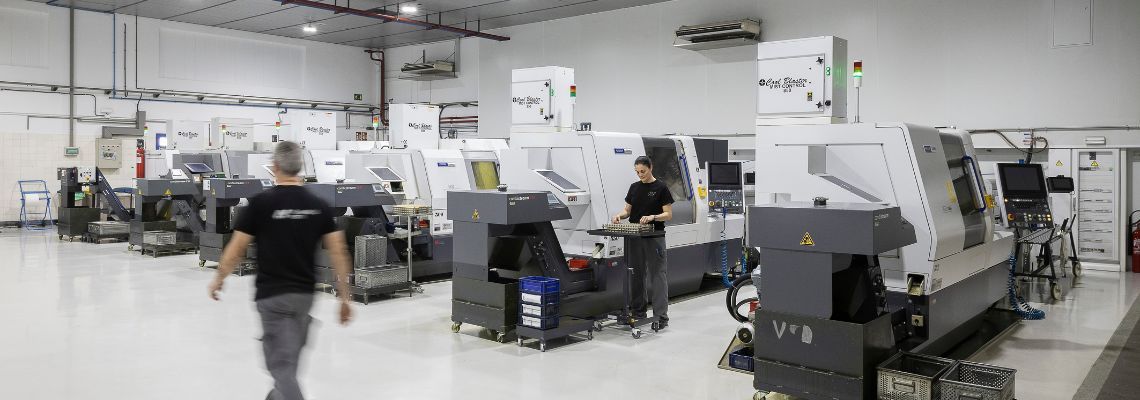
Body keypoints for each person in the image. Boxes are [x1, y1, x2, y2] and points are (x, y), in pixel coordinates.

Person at [207, 141, 353, 400]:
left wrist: (219, 278)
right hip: (304, 297)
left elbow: (237, 248)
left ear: (274, 167)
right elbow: (339, 252)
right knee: (288, 364)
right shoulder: (318, 204)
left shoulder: (260, 204)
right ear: (300, 167)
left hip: (272, 297)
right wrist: (344, 297)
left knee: (282, 368)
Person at [611, 155, 674, 328]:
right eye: (637, 172)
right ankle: (638, 312)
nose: (640, 175)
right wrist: (619, 216)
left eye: (643, 171)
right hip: (635, 237)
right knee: (636, 275)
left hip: (654, 237)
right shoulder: (634, 187)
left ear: (650, 168)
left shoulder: (661, 188)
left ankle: (661, 317)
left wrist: (653, 217)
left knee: (658, 276)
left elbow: (668, 214)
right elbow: (627, 211)